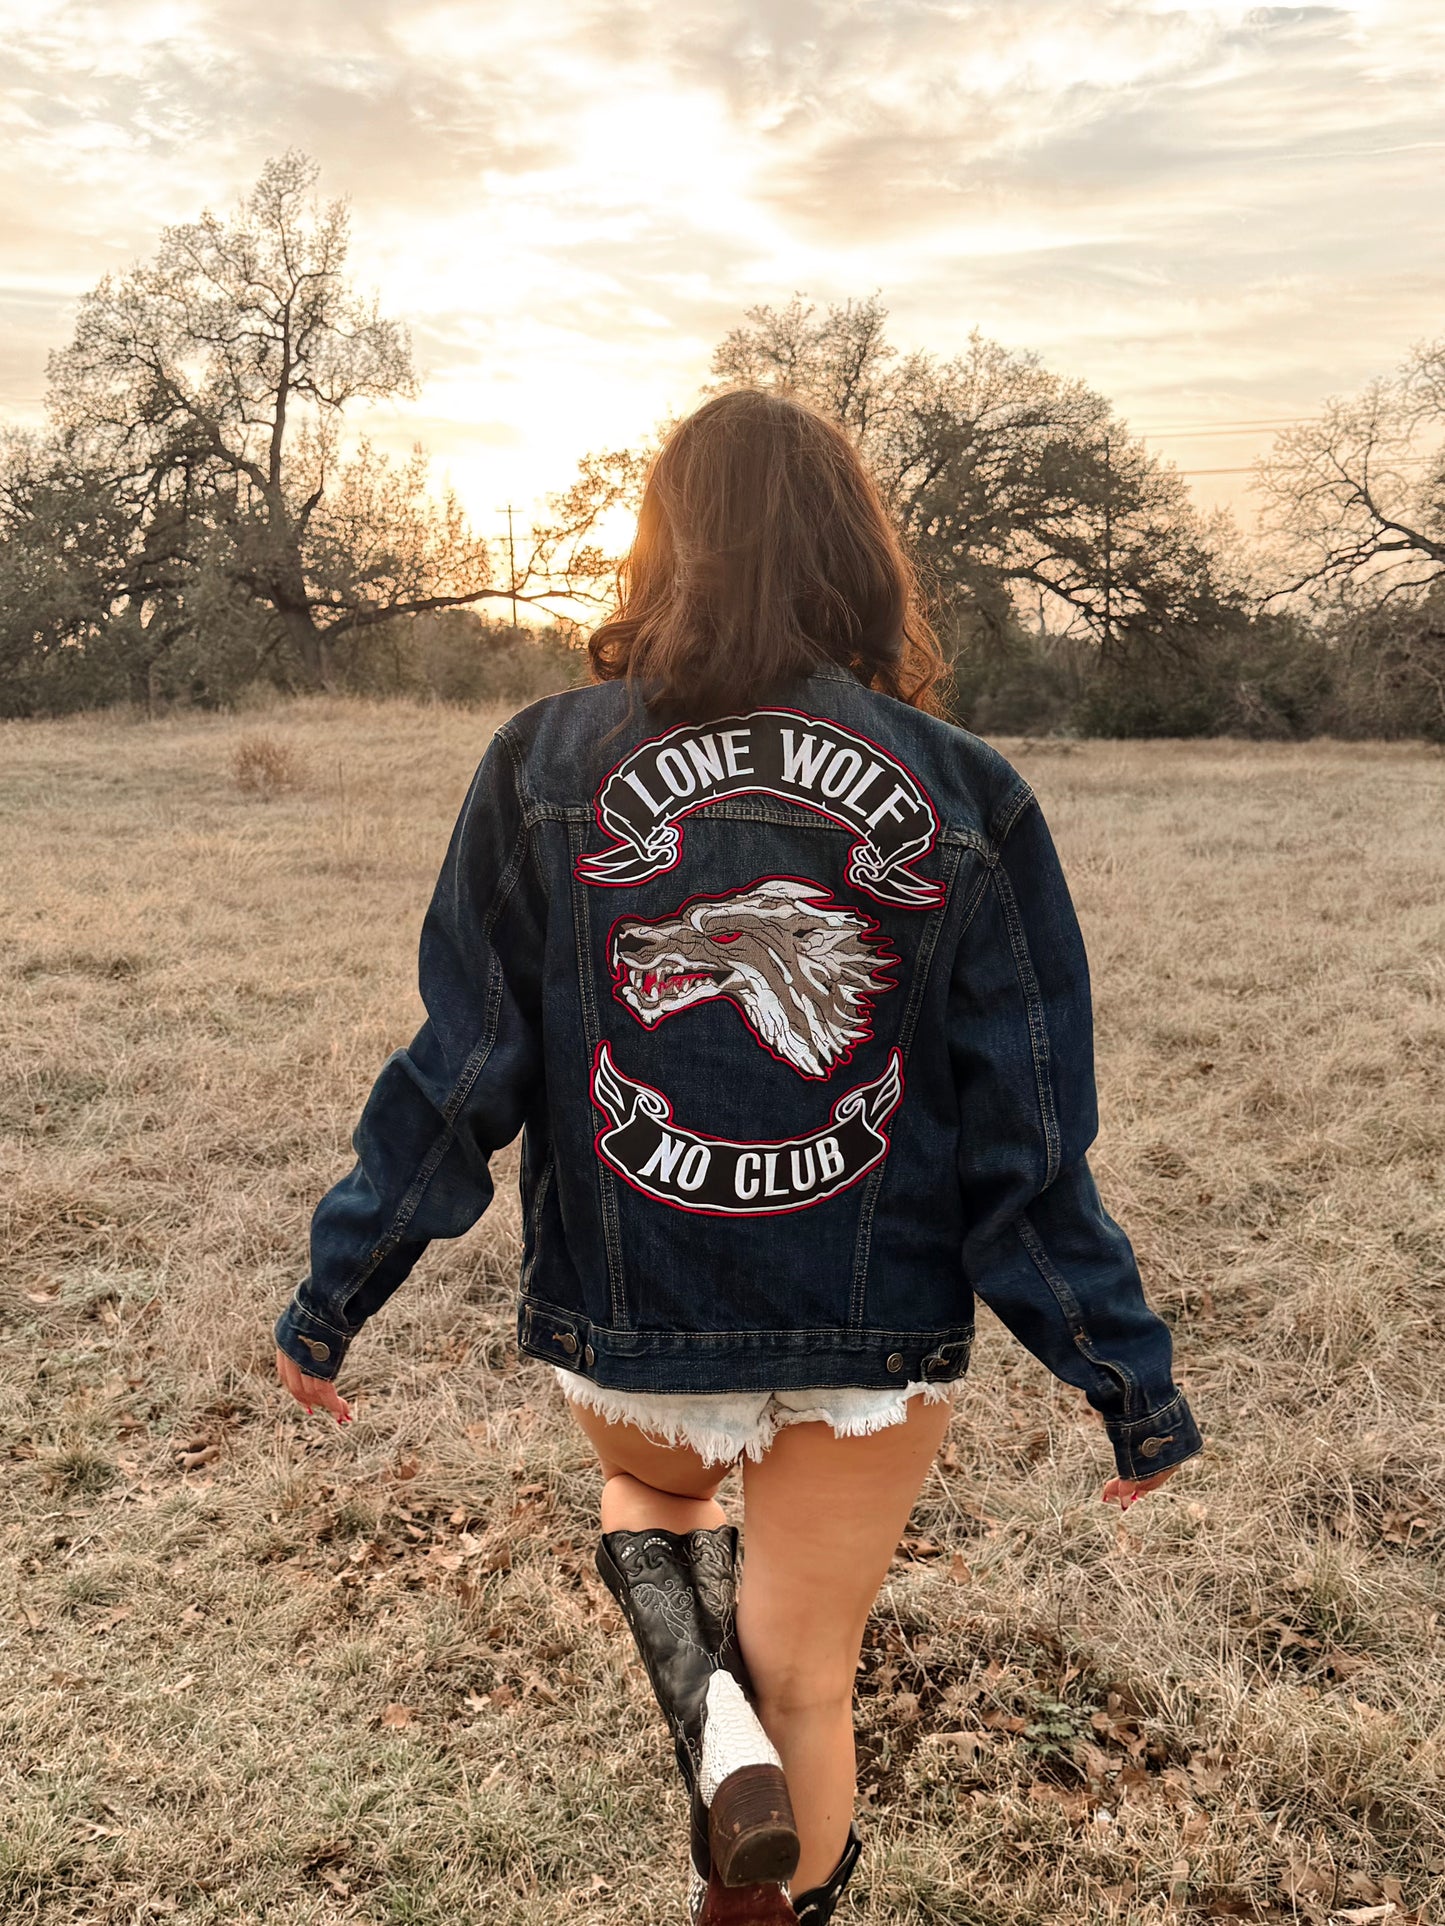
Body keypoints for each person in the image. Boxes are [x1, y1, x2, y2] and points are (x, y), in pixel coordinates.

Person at [273, 388, 1203, 1925]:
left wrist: (335, 1291)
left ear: (662, 553)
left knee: (652, 1505)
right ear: (856, 555)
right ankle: (755, 1826)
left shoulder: (540, 759)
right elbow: (1025, 1133)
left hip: (638, 1315)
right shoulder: (964, 790)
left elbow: (463, 1069)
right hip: (867, 1327)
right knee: (810, 1674)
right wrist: (1127, 1381)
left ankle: (711, 1728)